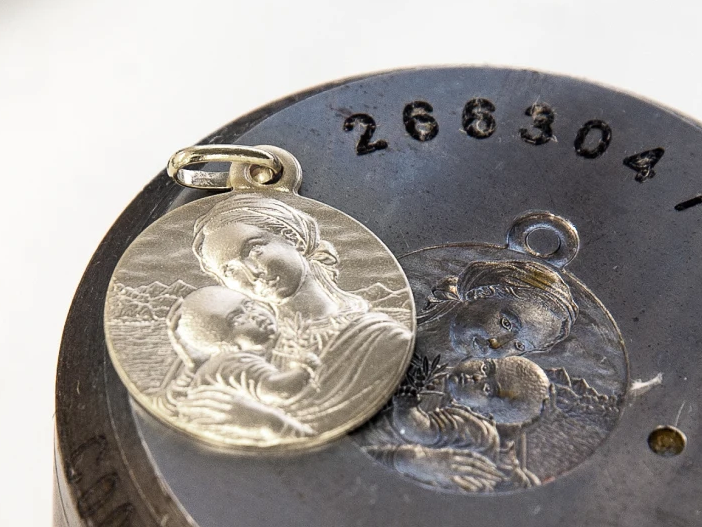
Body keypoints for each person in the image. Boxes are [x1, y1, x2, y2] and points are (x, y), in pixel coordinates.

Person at [188, 192, 411, 431]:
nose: (252, 273)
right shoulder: (253, 353)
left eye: (254, 250)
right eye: (230, 270)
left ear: (291, 238)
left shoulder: (383, 339)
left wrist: (266, 423)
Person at [365, 354, 552, 492]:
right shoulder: (445, 363)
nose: (476, 378)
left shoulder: (470, 428)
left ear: (483, 412)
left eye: (487, 389)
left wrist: (406, 407)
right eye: (486, 368)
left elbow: (422, 431)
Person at [160, 285, 316, 444]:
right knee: (274, 425)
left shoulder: (274, 343)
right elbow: (274, 390)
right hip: (244, 431)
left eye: (250, 305)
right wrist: (304, 368)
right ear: (227, 346)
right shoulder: (233, 362)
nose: (254, 316)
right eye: (238, 319)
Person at [418, 256, 578, 362]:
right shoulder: (412, 305)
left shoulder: (462, 381)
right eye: (506, 323)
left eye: (519, 346)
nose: (496, 345)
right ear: (483, 293)